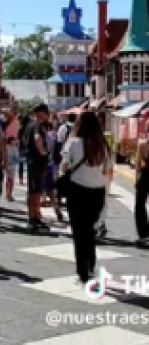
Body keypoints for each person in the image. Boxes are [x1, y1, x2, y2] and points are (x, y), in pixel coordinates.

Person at [59, 111, 109, 284]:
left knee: (79, 232)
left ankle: (83, 270)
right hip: (98, 191)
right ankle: (91, 265)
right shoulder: (102, 144)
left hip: (78, 190)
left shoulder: (73, 143)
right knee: (89, 231)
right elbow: (108, 169)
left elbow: (64, 166)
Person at [24, 104, 52, 233]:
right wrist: (43, 152)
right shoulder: (38, 126)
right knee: (36, 191)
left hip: (31, 161)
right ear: (43, 113)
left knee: (33, 191)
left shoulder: (29, 125)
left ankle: (34, 216)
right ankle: (33, 218)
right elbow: (37, 139)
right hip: (37, 162)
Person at [135, 129, 149, 246]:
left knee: (140, 205)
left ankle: (143, 235)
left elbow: (138, 164)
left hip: (145, 177)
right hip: (144, 177)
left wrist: (136, 179)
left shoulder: (143, 145)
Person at [4, 136, 20, 202]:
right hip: (10, 165)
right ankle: (9, 194)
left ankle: (8, 194)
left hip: (9, 165)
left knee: (9, 180)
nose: (15, 141)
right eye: (14, 140)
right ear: (10, 141)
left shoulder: (7, 147)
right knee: (10, 180)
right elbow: (17, 158)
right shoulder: (13, 148)